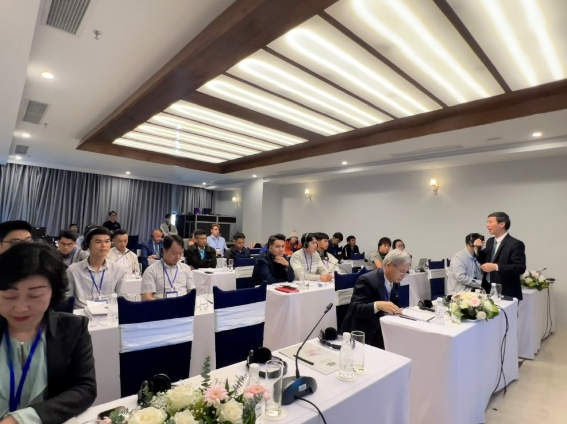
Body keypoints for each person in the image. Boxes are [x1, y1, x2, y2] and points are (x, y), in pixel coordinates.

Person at [0, 243, 96, 423]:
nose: (21, 307)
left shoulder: (73, 328)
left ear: (53, 292)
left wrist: (21, 419)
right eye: (9, 296)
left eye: (34, 295)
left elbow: (85, 388)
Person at [341, 249, 409, 349]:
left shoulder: (395, 280)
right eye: (402, 271)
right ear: (388, 265)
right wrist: (378, 305)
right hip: (365, 333)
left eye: (406, 272)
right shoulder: (367, 280)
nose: (404, 276)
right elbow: (355, 309)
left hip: (384, 329)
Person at [66, 227, 125, 309]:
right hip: (81, 313)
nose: (104, 245)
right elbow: (67, 300)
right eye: (98, 242)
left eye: (107, 241)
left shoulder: (118, 270)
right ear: (87, 245)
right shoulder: (73, 270)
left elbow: (122, 299)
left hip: (107, 313)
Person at [477, 212, 526, 300]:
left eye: (490, 222)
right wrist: (477, 249)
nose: (487, 225)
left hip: (506, 290)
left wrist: (496, 267)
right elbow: (483, 260)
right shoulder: (490, 241)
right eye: (487, 222)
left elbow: (520, 268)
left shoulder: (515, 244)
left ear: (502, 224)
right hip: (487, 289)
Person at [141, 235, 194, 300]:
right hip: (160, 305)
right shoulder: (151, 270)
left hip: (183, 304)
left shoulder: (186, 268)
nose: (178, 257)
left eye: (180, 253)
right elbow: (146, 298)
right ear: (164, 251)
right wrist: (166, 304)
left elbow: (191, 292)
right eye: (174, 253)